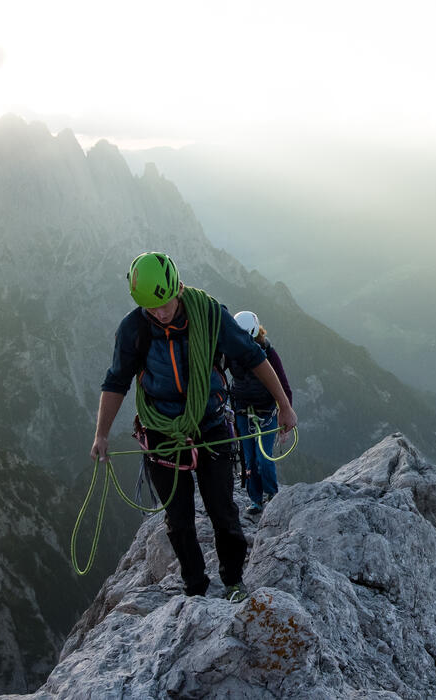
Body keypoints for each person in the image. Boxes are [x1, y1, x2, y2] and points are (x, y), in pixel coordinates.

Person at [90, 252, 296, 601]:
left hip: (210, 423)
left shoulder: (209, 314)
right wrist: (101, 433)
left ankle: (233, 580)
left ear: (177, 288)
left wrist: (284, 405)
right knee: (178, 517)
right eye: (151, 308)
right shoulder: (135, 328)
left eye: (164, 304)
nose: (159, 312)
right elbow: (117, 381)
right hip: (161, 431)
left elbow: (253, 356)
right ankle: (195, 587)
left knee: (223, 510)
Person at [227, 310, 293, 516]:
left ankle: (272, 494)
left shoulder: (269, 354)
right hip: (242, 411)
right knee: (249, 459)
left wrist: (286, 413)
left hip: (266, 413)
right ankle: (256, 500)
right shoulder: (230, 352)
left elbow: (283, 385)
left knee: (263, 459)